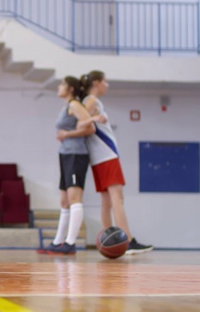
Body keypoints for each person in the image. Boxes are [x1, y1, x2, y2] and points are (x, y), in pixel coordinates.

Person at [77, 70, 153, 254]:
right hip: (106, 155)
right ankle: (127, 240)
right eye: (105, 81)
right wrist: (94, 118)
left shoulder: (91, 101)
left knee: (107, 200)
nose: (107, 85)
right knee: (117, 198)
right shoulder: (92, 101)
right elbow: (81, 122)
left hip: (101, 157)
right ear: (96, 83)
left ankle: (109, 240)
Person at [38, 76, 95, 255]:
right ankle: (58, 242)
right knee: (64, 201)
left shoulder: (75, 105)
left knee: (74, 198)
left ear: (70, 88)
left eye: (62, 84)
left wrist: (67, 135)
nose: (59, 87)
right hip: (66, 154)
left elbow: (90, 127)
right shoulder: (67, 106)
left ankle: (70, 243)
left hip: (76, 155)